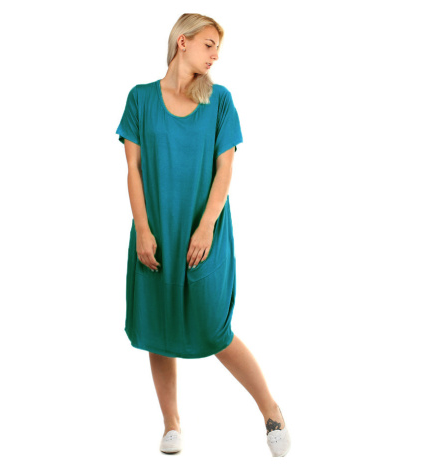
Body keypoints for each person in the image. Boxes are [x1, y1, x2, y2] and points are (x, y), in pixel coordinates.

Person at [115, 13, 291, 457]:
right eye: (209, 44)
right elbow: (133, 169)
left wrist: (207, 225)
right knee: (158, 325)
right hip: (156, 229)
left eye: (218, 49)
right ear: (183, 42)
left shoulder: (220, 101)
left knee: (216, 329)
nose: (215, 55)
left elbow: (225, 167)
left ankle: (271, 410)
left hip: (204, 231)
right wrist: (142, 229)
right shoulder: (140, 98)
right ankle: (171, 424)